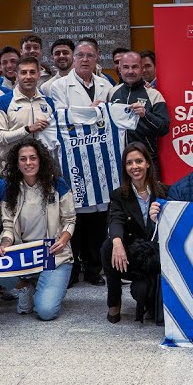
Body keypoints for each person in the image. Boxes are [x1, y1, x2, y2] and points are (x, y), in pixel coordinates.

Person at [41, 88, 141, 287]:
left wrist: (137, 109)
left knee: (99, 229)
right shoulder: (59, 119)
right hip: (74, 189)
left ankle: (94, 269)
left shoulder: (111, 112)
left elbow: (132, 117)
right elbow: (45, 141)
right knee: (73, 230)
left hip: (106, 189)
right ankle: (73, 269)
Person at [0, 139, 76, 320]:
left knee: (46, 312)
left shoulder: (57, 185)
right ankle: (24, 287)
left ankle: (45, 286)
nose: (28, 163)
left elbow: (70, 219)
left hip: (53, 256)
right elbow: (8, 226)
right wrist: (5, 243)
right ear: (17, 164)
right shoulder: (10, 189)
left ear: (40, 160)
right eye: (23, 159)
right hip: (23, 254)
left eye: (33, 158)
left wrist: (63, 240)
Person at [102, 142, 165, 324]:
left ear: (148, 164)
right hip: (132, 256)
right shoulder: (118, 195)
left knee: (144, 294)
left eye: (139, 161)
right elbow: (115, 220)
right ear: (125, 167)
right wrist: (117, 242)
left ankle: (149, 299)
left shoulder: (165, 192)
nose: (134, 166)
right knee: (108, 246)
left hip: (155, 257)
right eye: (129, 163)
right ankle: (114, 301)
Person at [0, 57, 59, 171]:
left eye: (32, 72)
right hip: (13, 168)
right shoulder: (3, 101)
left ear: (39, 75)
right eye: (23, 73)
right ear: (16, 75)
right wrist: (27, 129)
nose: (28, 76)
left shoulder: (48, 102)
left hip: (43, 168)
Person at [109, 50, 170, 163]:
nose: (130, 71)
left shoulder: (153, 94)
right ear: (120, 70)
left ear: (142, 69)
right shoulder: (112, 92)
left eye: (135, 67)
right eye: (126, 67)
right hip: (119, 160)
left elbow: (164, 128)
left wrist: (145, 114)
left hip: (147, 160)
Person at [45, 38, 113, 107]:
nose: (85, 59)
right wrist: (90, 110)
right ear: (74, 58)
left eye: (90, 55)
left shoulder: (106, 85)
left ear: (96, 59)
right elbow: (61, 115)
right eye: (80, 55)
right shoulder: (58, 86)